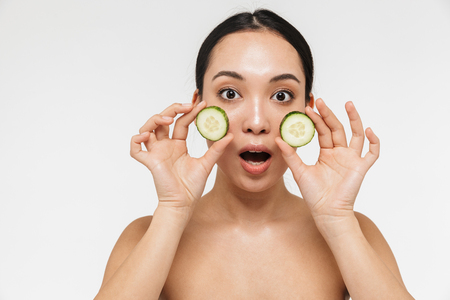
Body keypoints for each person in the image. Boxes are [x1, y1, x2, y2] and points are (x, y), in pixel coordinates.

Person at [94, 9, 414, 300]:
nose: (257, 122)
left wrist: (338, 221)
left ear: (307, 111)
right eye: (230, 93)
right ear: (197, 106)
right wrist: (173, 212)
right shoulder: (145, 236)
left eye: (281, 95)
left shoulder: (354, 231)